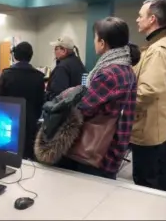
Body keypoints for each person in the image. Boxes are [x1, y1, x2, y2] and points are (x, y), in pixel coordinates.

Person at [58, 17, 140, 179]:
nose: (94, 42)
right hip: (112, 146)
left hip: (96, 152)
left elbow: (83, 107)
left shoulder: (108, 73)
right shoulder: (126, 69)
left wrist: (68, 95)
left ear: (102, 43)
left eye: (95, 38)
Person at [131, 0, 166, 191]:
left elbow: (148, 91)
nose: (137, 19)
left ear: (152, 19)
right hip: (156, 125)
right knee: (157, 179)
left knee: (145, 183)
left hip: (147, 127)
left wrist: (124, 106)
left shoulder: (158, 50)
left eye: (140, 15)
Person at [0, 41, 45, 160]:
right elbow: (40, 103)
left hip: (8, 122)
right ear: (31, 55)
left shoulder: (6, 74)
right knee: (27, 157)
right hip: (30, 123)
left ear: (15, 55)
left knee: (8, 154)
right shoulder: (39, 76)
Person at [46, 35, 86, 101]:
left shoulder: (62, 67)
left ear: (64, 51)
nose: (54, 52)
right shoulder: (78, 62)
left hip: (64, 108)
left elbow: (57, 95)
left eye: (56, 49)